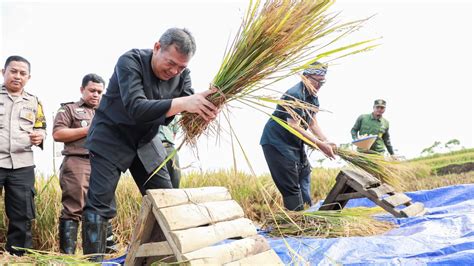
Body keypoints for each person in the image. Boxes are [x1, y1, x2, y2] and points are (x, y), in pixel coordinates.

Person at [82, 28, 218, 260]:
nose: (174, 71)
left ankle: (160, 259)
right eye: (171, 63)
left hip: (146, 139)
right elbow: (136, 107)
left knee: (166, 198)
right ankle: (92, 262)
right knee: (100, 202)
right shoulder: (130, 61)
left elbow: (187, 108)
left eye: (181, 67)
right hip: (112, 136)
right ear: (157, 48)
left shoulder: (183, 75)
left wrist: (209, 105)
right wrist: (184, 102)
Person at [53, 73, 120, 254]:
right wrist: (88, 130)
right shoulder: (69, 109)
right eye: (92, 90)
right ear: (82, 90)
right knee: (74, 208)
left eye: (99, 91)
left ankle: (102, 252)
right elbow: (58, 134)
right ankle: (68, 256)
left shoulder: (108, 112)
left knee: (102, 207)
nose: (96, 94)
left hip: (103, 165)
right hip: (78, 162)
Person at [260, 62, 336, 211]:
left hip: (295, 143)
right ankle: (298, 222)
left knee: (305, 172)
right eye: (317, 80)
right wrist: (320, 146)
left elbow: (312, 123)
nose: (320, 84)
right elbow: (293, 126)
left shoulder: (313, 96)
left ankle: (308, 213)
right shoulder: (295, 94)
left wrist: (326, 141)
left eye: (323, 81)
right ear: (306, 77)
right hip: (277, 142)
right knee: (291, 183)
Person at [0, 55, 46, 256]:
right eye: (13, 71)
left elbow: (41, 125)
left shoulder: (34, 102)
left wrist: (40, 136)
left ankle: (18, 256)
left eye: (22, 73)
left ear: (28, 77)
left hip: (22, 165)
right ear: (3, 72)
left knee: (22, 214)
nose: (17, 76)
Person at [158, 116, 181, 188]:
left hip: (170, 146)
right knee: (160, 177)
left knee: (176, 174)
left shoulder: (175, 115)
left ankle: (174, 196)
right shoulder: (153, 110)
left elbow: (174, 133)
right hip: (156, 146)